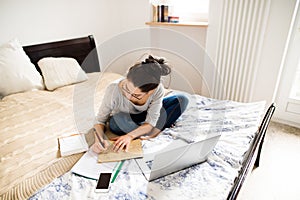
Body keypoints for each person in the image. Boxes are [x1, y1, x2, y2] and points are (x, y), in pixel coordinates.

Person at [91, 55, 189, 153]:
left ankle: (150, 131)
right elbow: (100, 120)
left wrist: (130, 136)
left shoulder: (157, 90)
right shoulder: (113, 90)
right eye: (126, 89)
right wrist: (98, 140)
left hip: (147, 113)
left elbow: (151, 121)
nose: (128, 96)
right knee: (115, 123)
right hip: (126, 117)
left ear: (151, 92)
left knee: (182, 99)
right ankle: (152, 130)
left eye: (136, 95)